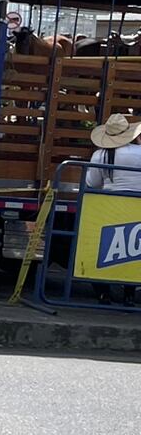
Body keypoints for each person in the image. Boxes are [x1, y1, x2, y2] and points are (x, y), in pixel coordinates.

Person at [86, 113, 141, 307]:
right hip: (137, 208)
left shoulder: (101, 154)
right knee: (133, 252)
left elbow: (92, 182)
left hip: (107, 208)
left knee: (101, 250)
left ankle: (103, 295)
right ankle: (129, 295)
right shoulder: (139, 152)